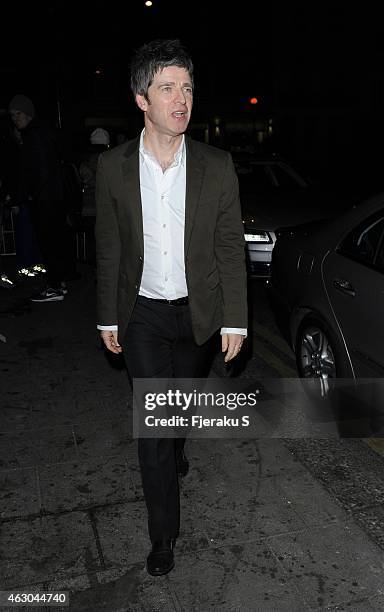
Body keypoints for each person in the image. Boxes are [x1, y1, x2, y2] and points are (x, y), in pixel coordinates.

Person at [95, 39, 247, 576]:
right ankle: (164, 536)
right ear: (142, 98)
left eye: (186, 88)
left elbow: (231, 244)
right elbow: (108, 243)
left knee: (178, 406)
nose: (181, 99)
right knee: (153, 427)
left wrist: (235, 318)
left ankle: (177, 443)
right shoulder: (112, 167)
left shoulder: (216, 164)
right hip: (142, 315)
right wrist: (107, 315)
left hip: (198, 312)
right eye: (167, 88)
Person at [8, 94, 68, 301]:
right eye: (13, 116)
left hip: (45, 200)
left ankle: (54, 287)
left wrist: (32, 195)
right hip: (49, 198)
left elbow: (39, 170)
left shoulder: (34, 134)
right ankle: (58, 283)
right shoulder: (39, 132)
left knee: (49, 242)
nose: (16, 119)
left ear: (28, 114)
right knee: (53, 241)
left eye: (19, 114)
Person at [79, 128, 110, 263]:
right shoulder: (110, 160)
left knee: (92, 239)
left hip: (87, 208)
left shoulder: (84, 162)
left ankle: (93, 264)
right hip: (104, 209)